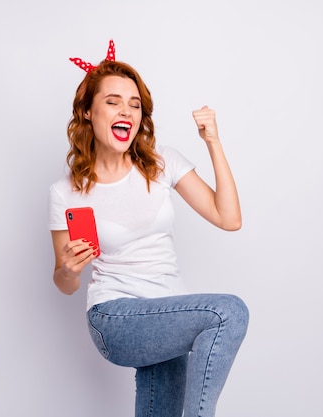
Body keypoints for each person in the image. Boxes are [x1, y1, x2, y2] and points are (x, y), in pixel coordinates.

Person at [48, 40, 249, 417]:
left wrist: (213, 142)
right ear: (88, 112)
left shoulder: (162, 164)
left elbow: (229, 218)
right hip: (115, 318)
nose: (126, 109)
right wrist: (68, 268)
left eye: (134, 104)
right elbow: (64, 283)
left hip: (168, 310)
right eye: (113, 101)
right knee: (229, 312)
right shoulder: (68, 192)